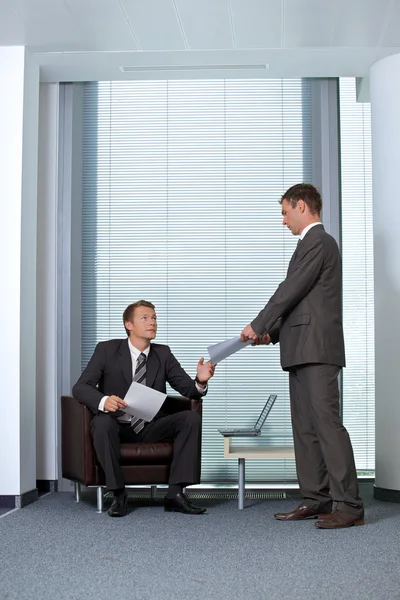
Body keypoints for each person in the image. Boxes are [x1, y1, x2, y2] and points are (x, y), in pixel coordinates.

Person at [240, 183, 364, 529]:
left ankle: (350, 505)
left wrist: (259, 322)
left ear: (301, 206)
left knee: (327, 427)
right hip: (299, 349)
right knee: (305, 431)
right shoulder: (308, 246)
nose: (283, 220)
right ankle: (316, 499)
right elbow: (301, 303)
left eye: (284, 212)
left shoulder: (319, 241)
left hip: (317, 350)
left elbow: (289, 291)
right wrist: (271, 333)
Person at [72, 300, 215, 517]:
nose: (152, 322)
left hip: (151, 425)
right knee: (101, 423)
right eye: (145, 318)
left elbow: (188, 389)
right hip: (116, 425)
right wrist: (104, 401)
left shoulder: (163, 354)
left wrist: (200, 381)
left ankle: (174, 494)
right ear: (129, 324)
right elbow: (81, 387)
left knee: (190, 419)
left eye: (154, 318)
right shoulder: (107, 350)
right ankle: (118, 494)